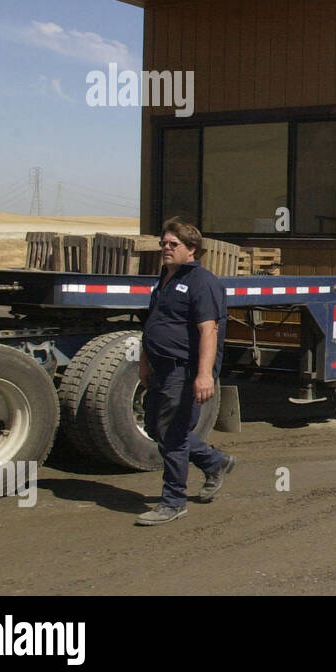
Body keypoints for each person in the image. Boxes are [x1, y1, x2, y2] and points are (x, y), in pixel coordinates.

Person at [135, 218, 236, 525]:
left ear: (191, 249)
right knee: (155, 428)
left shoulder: (202, 282)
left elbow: (209, 331)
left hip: (185, 370)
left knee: (174, 435)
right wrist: (144, 361)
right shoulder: (164, 280)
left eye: (172, 244)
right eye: (163, 244)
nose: (165, 249)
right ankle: (214, 462)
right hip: (161, 369)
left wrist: (204, 375)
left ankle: (173, 501)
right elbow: (153, 323)